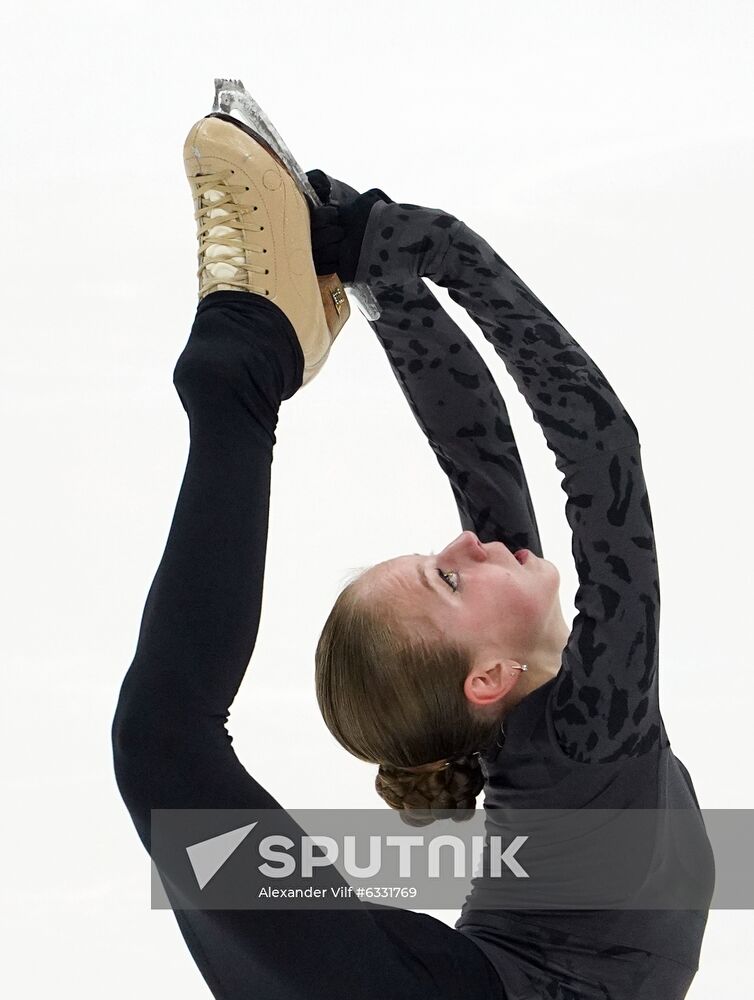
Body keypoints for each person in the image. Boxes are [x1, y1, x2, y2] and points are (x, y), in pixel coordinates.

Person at [112, 112, 712, 1000]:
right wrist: (423, 245)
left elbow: (481, 457)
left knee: (163, 752)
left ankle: (246, 364)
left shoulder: (521, 692)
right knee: (160, 750)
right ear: (486, 679)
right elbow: (601, 452)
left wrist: (375, 274)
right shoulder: (592, 730)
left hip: (461, 977)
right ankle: (241, 371)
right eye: (446, 576)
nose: (468, 542)